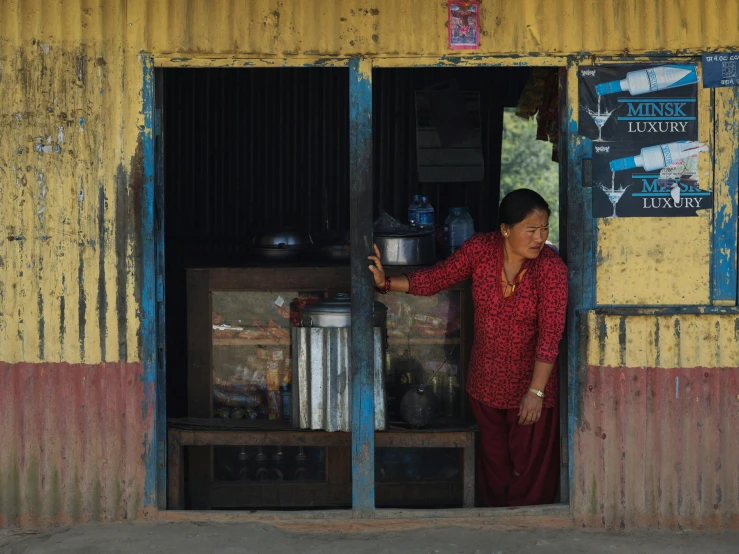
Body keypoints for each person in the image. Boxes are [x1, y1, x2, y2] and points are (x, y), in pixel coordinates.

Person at [368, 189, 567, 507]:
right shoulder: (481, 250)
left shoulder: (551, 269)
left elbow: (550, 336)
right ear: (505, 229)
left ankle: (528, 535)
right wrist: (386, 283)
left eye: (544, 229)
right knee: (494, 466)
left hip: (531, 388)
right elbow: (438, 278)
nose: (540, 237)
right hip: (486, 384)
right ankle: (493, 532)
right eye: (531, 229)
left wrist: (536, 393)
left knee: (530, 473)